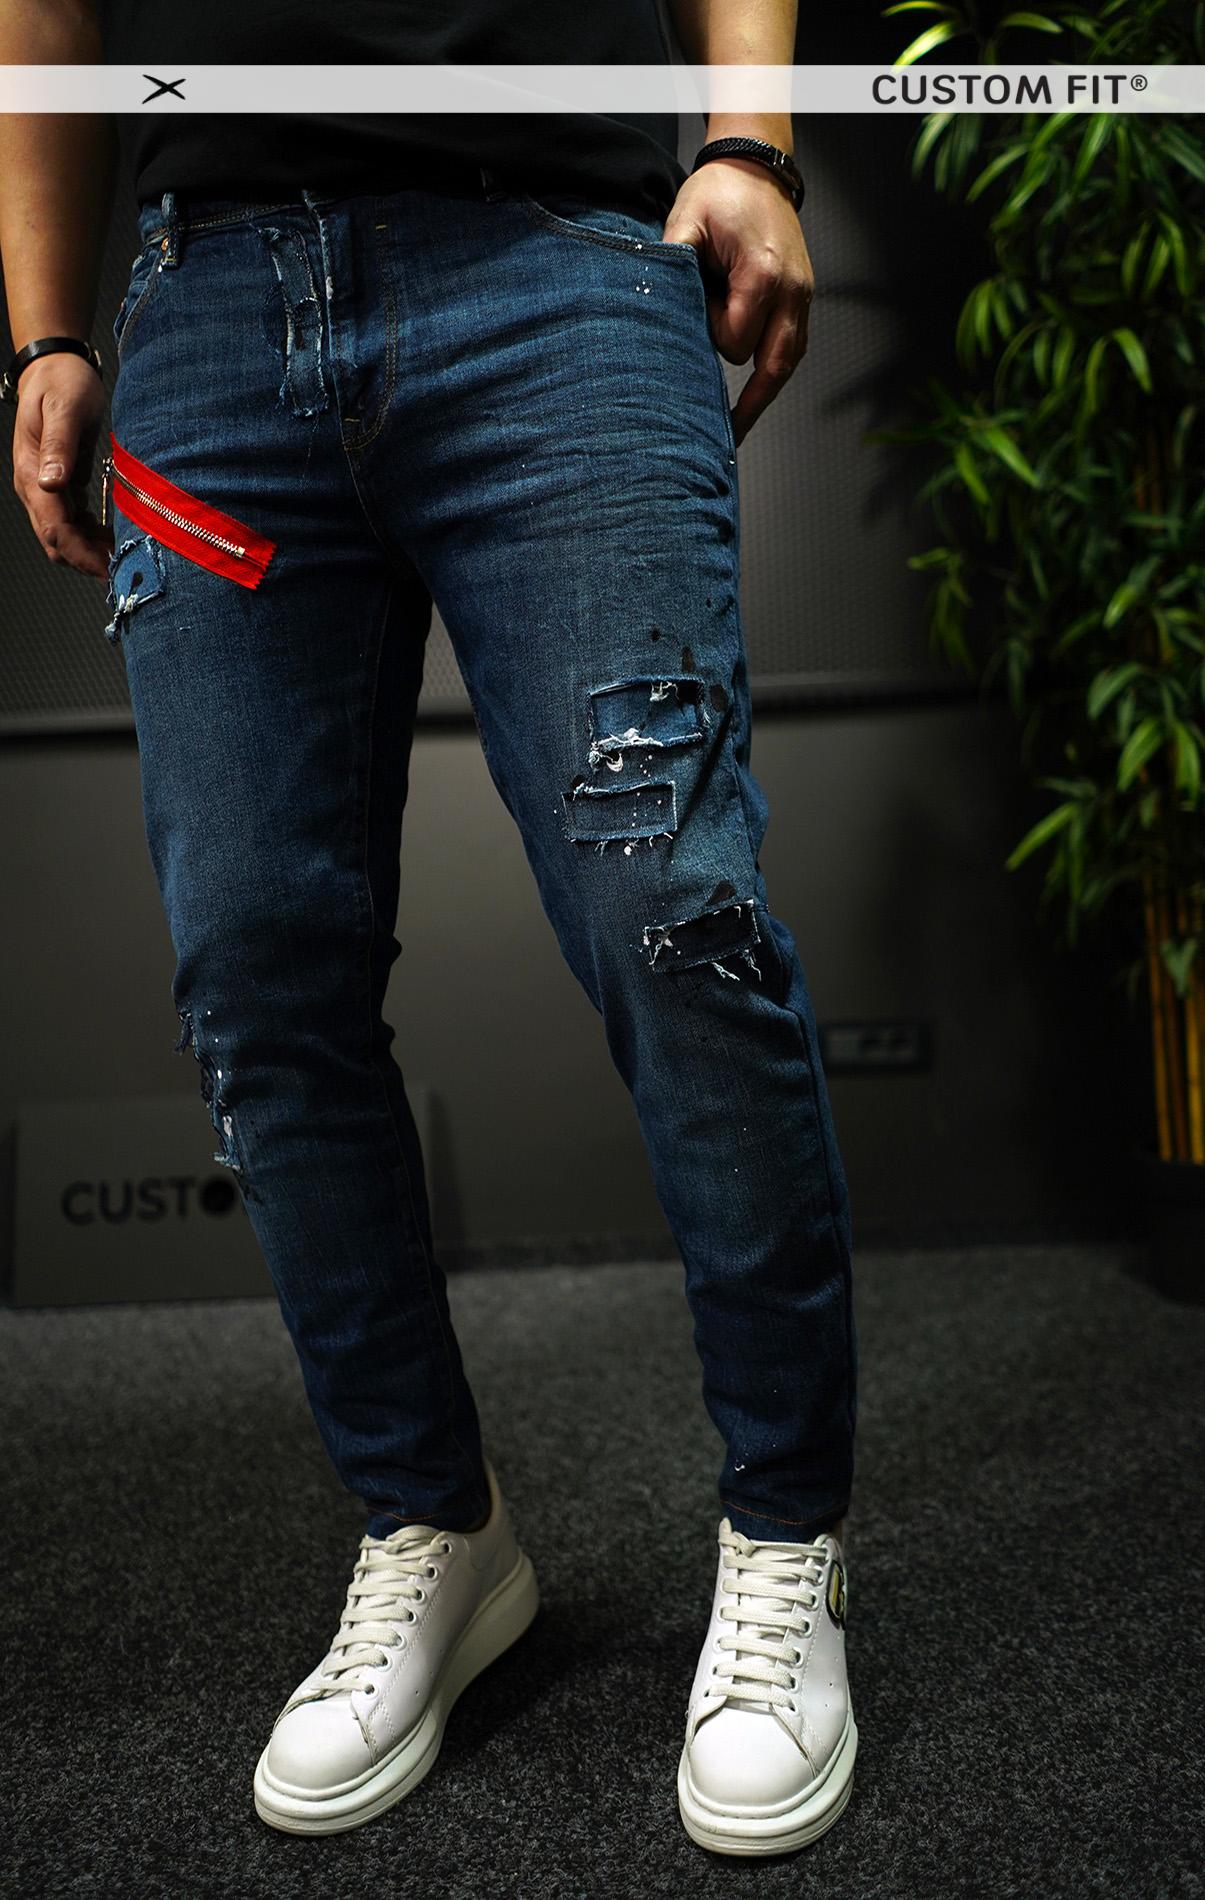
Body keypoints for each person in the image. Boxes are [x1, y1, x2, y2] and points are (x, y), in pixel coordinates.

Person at [1, 0, 859, 1858]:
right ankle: (433, 1528)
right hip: (211, 314)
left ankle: (786, 1535)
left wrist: (751, 142)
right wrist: (48, 330)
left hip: (559, 273)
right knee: (256, 970)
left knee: (674, 914)